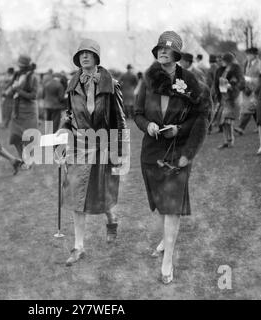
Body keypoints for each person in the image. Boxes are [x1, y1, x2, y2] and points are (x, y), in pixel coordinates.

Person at [134, 31, 208, 284]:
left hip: (178, 151)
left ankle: (167, 263)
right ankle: (166, 242)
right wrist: (148, 126)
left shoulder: (190, 81)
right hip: (152, 151)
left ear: (177, 54)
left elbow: (200, 117)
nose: (162, 52)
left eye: (168, 50)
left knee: (172, 205)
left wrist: (180, 129)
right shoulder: (148, 79)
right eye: (159, 49)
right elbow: (137, 113)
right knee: (161, 203)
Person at [58, 38, 128, 267]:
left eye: (89, 53)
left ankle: (112, 218)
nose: (84, 56)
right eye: (81, 53)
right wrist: (62, 136)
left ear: (97, 57)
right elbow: (69, 116)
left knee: (101, 193)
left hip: (103, 146)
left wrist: (119, 151)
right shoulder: (73, 85)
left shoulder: (111, 84)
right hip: (79, 146)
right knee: (78, 196)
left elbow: (119, 120)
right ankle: (79, 247)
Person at [8, 55, 39, 168]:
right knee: (15, 137)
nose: (19, 67)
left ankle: (29, 161)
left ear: (26, 66)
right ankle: (23, 158)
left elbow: (34, 96)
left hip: (29, 111)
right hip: (17, 111)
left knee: (28, 138)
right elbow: (12, 89)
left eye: (21, 65)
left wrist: (18, 90)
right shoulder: (17, 75)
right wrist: (11, 90)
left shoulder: (33, 77)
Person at [215, 52, 245, 149]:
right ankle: (226, 141)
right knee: (223, 121)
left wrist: (232, 86)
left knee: (227, 120)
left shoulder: (236, 68)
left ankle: (230, 141)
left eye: (223, 60)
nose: (221, 61)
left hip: (232, 97)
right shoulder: (221, 69)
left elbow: (242, 82)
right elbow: (218, 82)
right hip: (224, 97)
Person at [234, 47, 261, 135]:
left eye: (249, 54)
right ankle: (258, 126)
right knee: (254, 109)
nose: (247, 56)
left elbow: (259, 79)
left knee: (249, 108)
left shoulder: (259, 64)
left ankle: (241, 128)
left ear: (255, 55)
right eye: (247, 54)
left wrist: (249, 79)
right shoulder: (246, 63)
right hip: (247, 89)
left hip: (256, 90)